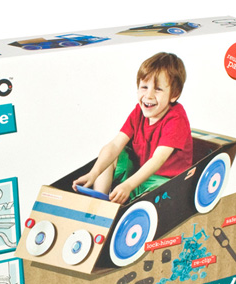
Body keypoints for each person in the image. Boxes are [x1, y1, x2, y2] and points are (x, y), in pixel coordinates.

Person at [73, 52, 193, 204]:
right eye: (144, 87)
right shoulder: (139, 112)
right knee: (112, 154)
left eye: (158, 89)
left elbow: (158, 159)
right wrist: (93, 173)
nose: (148, 95)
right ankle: (99, 201)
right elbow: (115, 144)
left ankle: (129, 202)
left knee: (156, 197)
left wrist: (128, 185)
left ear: (174, 95)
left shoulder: (176, 119)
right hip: (138, 173)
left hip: (164, 179)